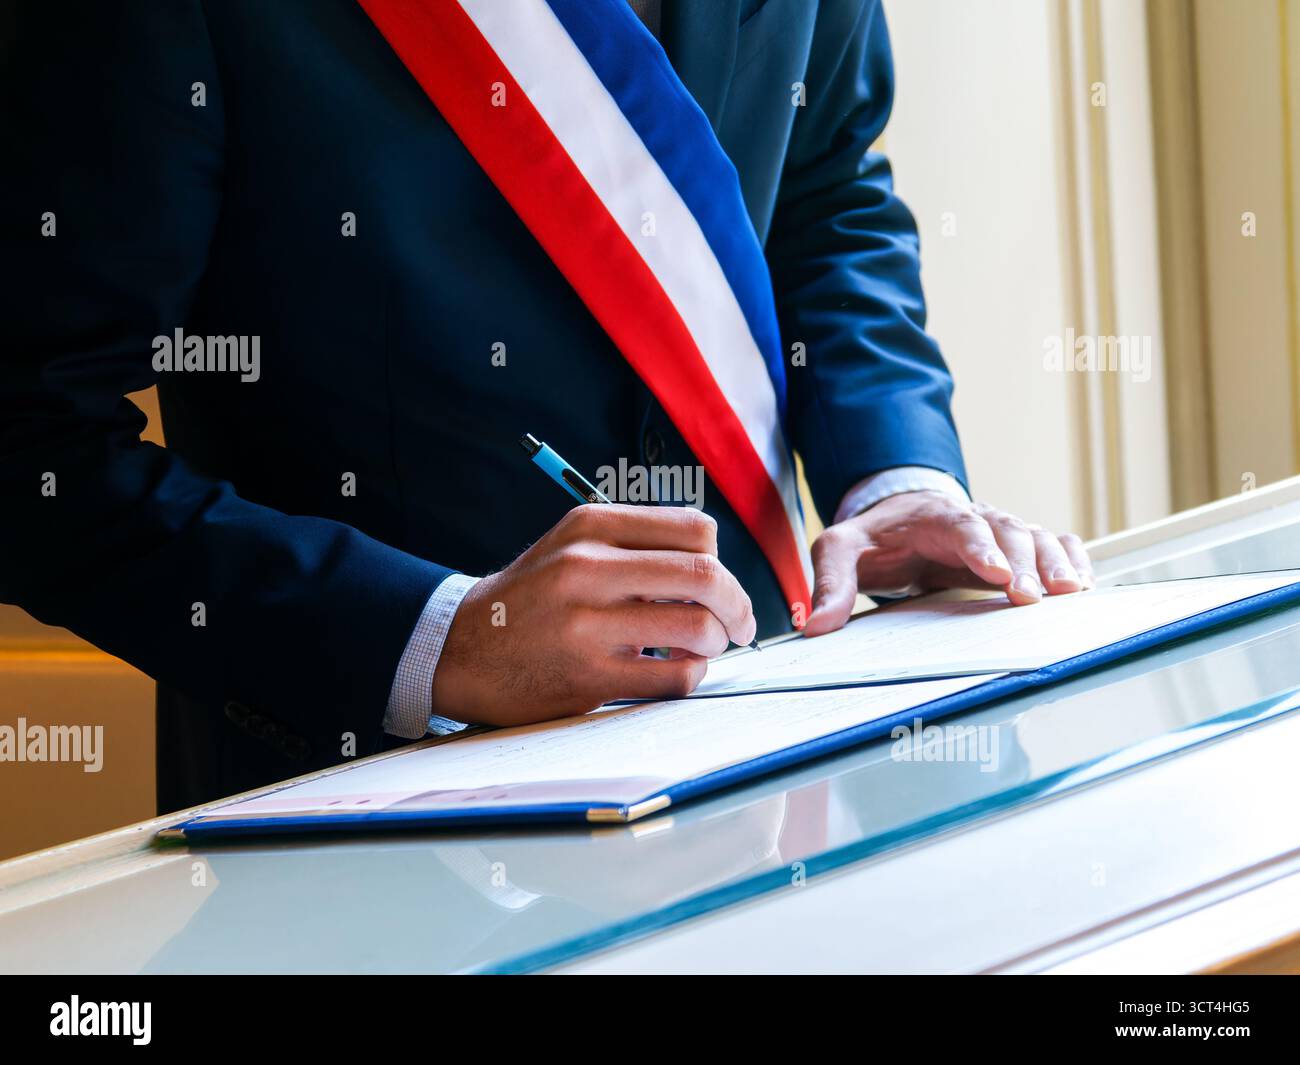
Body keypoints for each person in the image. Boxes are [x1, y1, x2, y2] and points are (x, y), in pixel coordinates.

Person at [0, 0, 1092, 813]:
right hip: (364, 810)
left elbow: (826, 188)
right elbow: (28, 441)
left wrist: (892, 471)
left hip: (766, 743)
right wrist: (431, 640)